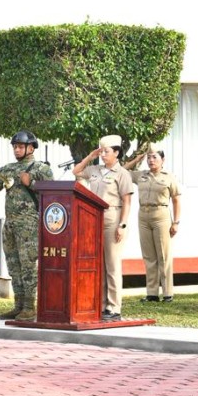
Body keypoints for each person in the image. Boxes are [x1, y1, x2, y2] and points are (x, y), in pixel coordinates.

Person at [0, 131, 54, 322]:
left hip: (29, 223)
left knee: (28, 266)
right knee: (14, 265)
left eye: (20, 146)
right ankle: (19, 305)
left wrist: (32, 183)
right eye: (14, 146)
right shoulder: (8, 168)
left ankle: (30, 307)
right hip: (10, 223)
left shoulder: (41, 168)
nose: (16, 150)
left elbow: (51, 193)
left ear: (31, 148)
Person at [74, 134, 133, 322]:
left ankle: (114, 306)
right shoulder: (95, 169)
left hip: (112, 218)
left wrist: (122, 225)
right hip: (94, 218)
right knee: (98, 264)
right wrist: (90, 156)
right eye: (102, 151)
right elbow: (76, 171)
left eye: (107, 151)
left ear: (117, 153)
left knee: (112, 264)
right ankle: (99, 305)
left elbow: (127, 201)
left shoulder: (122, 173)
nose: (103, 154)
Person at [125, 144, 181, 302]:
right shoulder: (141, 175)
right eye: (149, 157)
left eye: (154, 157)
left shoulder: (169, 177)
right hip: (143, 215)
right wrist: (137, 159)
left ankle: (168, 293)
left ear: (163, 160)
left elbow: (176, 200)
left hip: (161, 214)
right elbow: (122, 171)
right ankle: (152, 293)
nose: (151, 160)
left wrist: (176, 222)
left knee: (163, 255)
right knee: (149, 256)